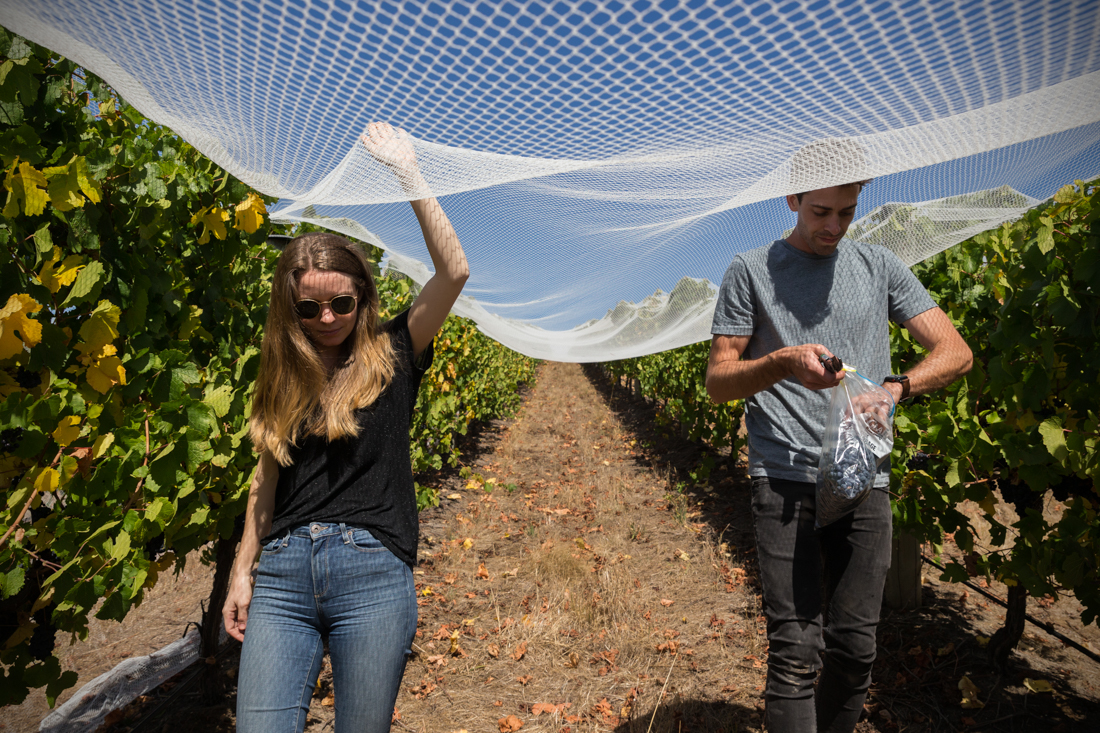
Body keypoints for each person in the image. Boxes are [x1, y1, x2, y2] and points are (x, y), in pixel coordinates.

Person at [705, 140, 972, 733]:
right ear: (793, 199)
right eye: (820, 212)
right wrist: (779, 363)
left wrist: (896, 389)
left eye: (846, 212)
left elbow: (956, 352)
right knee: (796, 653)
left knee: (855, 650)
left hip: (863, 475)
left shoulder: (880, 267)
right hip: (783, 476)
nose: (833, 227)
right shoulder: (750, 271)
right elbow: (719, 383)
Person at [222, 122, 469, 733]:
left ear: (364, 297)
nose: (326, 318)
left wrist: (410, 173)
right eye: (308, 308)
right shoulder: (283, 372)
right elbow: (265, 480)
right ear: (291, 308)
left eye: (341, 304)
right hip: (281, 574)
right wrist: (240, 570)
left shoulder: (396, 348)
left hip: (373, 572)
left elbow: (455, 270)